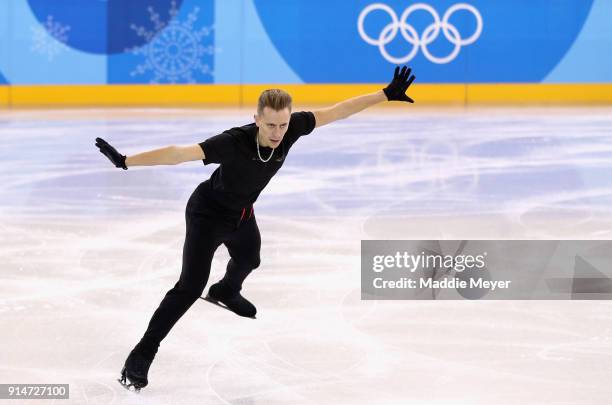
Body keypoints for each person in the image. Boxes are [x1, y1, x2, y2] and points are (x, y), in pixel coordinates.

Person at [95, 66, 416, 391]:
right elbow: (179, 154)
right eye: (271, 124)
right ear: (257, 119)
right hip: (207, 214)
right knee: (190, 287)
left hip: (242, 213)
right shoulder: (233, 142)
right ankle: (143, 352)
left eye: (283, 124)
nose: (278, 132)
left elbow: (336, 111)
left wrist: (385, 94)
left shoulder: (292, 129)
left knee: (250, 259)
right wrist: (126, 161)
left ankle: (226, 291)